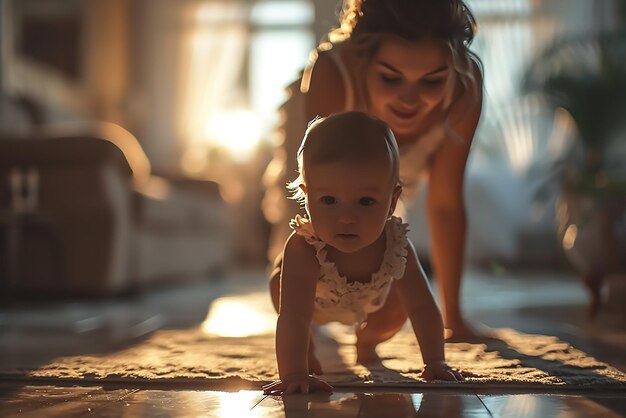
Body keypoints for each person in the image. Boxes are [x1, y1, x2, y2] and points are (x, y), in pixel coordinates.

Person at [262, 0, 483, 341]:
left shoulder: (465, 87)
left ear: (453, 72)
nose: (409, 99)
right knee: (306, 241)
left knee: (379, 226)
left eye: (431, 82)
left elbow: (446, 204)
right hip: (322, 129)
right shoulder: (333, 71)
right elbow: (319, 202)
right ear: (361, 61)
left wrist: (453, 318)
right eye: (390, 78)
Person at [263, 112, 463, 396]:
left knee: (401, 307)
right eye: (329, 200)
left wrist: (435, 361)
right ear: (307, 197)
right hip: (314, 304)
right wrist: (294, 373)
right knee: (280, 287)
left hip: (374, 302)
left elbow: (422, 307)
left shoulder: (396, 245)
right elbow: (294, 316)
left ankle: (367, 341)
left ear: (392, 201)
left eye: (366, 201)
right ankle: (306, 349)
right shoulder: (305, 248)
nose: (346, 217)